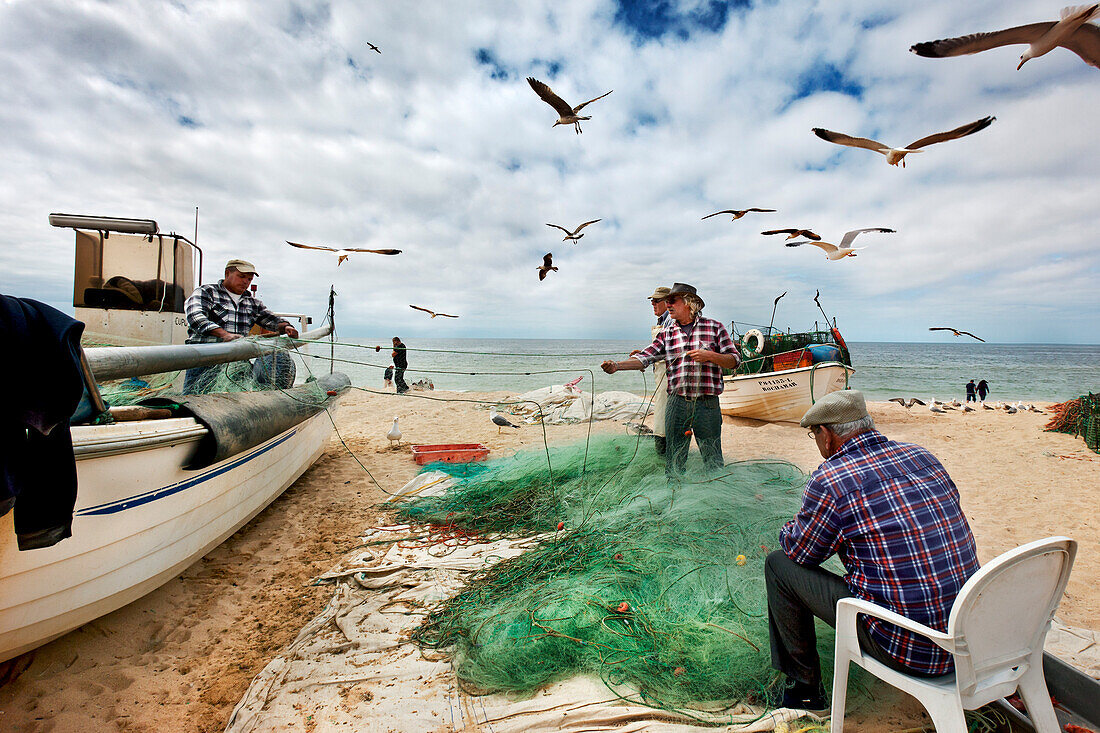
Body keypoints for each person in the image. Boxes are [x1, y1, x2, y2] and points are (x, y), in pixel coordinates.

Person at [764, 390, 980, 710]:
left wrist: (789, 528)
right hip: (970, 639)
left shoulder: (832, 478)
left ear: (826, 435)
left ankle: (805, 689)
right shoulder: (923, 456)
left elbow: (801, 552)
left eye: (814, 434)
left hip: (910, 650)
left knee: (778, 566)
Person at [601, 283, 739, 476]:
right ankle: (674, 496)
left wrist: (710, 356)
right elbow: (645, 358)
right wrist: (617, 366)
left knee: (713, 459)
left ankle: (717, 497)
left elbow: (735, 360)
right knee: (674, 460)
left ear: (689, 303)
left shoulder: (715, 327)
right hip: (677, 403)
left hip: (708, 405)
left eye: (672, 300)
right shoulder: (667, 333)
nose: (668, 305)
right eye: (666, 301)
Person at [182, 259, 299, 394]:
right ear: (227, 274)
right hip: (204, 362)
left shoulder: (252, 303)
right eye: (242, 276)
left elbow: (271, 319)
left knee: (232, 404)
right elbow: (195, 317)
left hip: (237, 366)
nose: (246, 282)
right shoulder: (207, 292)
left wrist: (286, 327)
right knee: (194, 403)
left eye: (249, 279)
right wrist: (223, 334)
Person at [630, 286, 673, 456]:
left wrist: (643, 359)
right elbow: (660, 347)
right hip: (661, 373)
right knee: (663, 413)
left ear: (667, 302)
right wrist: (644, 354)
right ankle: (666, 449)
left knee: (664, 413)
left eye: (656, 300)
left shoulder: (670, 320)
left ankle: (664, 451)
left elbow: (667, 349)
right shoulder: (663, 320)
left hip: (669, 375)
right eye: (652, 301)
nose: (653, 304)